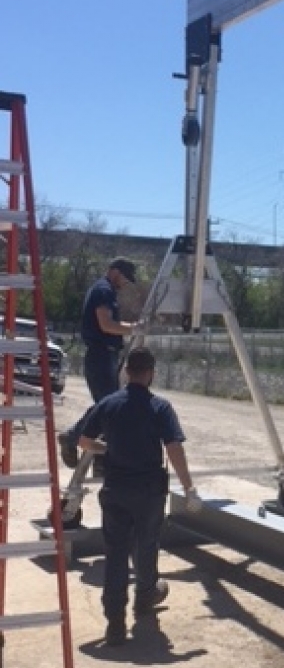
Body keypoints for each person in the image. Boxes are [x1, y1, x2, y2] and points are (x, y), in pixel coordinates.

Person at [78, 345, 202, 646]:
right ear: (151, 374)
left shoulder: (108, 404)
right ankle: (145, 598)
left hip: (115, 491)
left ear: (126, 371)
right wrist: (189, 488)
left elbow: (83, 440)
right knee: (146, 546)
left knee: (116, 553)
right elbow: (174, 448)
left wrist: (106, 448)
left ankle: (115, 622)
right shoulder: (160, 407)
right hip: (148, 493)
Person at [59, 256, 141, 469]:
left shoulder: (104, 290)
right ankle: (73, 437)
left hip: (105, 355)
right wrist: (134, 329)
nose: (124, 283)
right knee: (107, 406)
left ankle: (99, 459)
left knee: (109, 407)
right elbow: (106, 325)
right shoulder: (103, 290)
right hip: (101, 355)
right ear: (115, 271)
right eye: (124, 278)